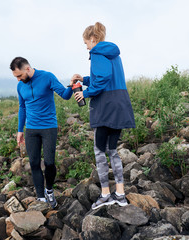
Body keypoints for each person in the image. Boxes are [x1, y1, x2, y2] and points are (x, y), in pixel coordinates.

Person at [70, 22, 136, 210]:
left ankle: (106, 193)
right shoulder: (112, 54)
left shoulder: (97, 52)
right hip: (120, 104)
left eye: (86, 43)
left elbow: (103, 78)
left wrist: (86, 92)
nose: (86, 47)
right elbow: (106, 77)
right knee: (113, 150)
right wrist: (85, 79)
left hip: (106, 106)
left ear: (93, 39)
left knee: (100, 151)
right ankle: (121, 194)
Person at [10, 57, 73, 208]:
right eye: (16, 77)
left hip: (48, 127)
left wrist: (71, 86)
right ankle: (41, 197)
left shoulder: (47, 77)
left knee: (50, 163)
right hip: (31, 129)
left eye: (19, 76)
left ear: (27, 69)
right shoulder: (20, 86)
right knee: (34, 163)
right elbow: (22, 108)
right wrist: (20, 130)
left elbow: (65, 95)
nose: (18, 80)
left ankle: (49, 191)